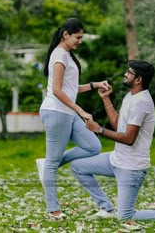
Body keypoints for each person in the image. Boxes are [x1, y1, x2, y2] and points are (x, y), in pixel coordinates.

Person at [70, 60, 155, 221]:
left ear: (138, 79)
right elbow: (118, 125)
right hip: (116, 160)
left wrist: (99, 130)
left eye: (129, 72)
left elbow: (129, 138)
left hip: (131, 168)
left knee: (125, 216)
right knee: (78, 166)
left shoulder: (141, 102)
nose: (125, 74)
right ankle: (107, 209)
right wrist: (106, 98)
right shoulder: (131, 96)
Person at [36, 17, 110, 219]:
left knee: (93, 146)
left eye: (81, 37)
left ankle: (50, 162)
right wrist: (82, 111)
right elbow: (58, 91)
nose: (80, 41)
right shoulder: (59, 55)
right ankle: (54, 210)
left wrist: (94, 85)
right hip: (56, 112)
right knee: (52, 165)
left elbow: (70, 89)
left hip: (66, 113)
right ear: (65, 34)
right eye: (77, 37)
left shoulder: (66, 55)